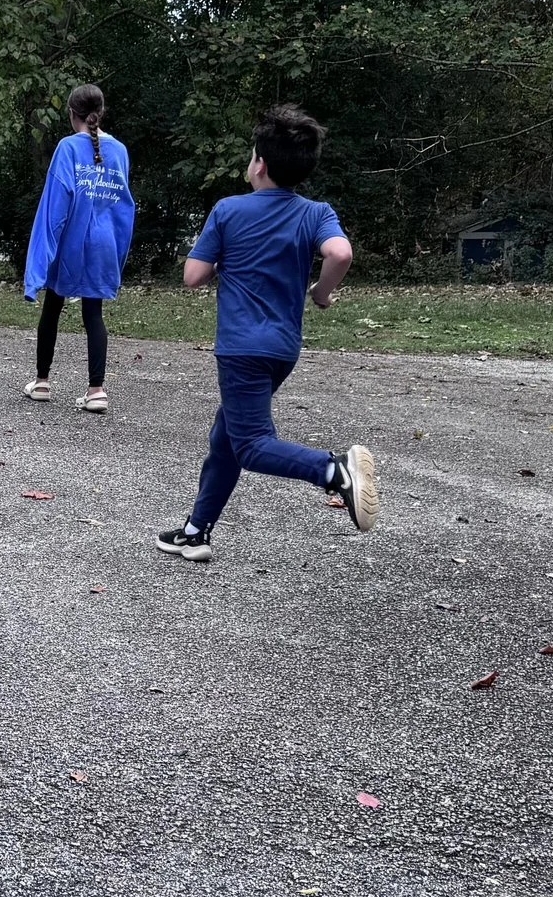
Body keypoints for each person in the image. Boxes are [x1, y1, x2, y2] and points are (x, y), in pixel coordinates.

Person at [154, 103, 378, 561]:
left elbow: (193, 276)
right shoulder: (315, 212)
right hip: (282, 348)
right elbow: (340, 253)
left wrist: (222, 259)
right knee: (227, 439)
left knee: (252, 445)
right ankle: (196, 531)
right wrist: (320, 293)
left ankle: (334, 471)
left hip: (240, 347)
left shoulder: (228, 210)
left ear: (258, 162)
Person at [22, 84, 134, 414]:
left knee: (53, 307)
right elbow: (123, 206)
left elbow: (55, 205)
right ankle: (96, 390)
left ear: (72, 114)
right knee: (93, 314)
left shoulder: (67, 148)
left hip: (70, 241)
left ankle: (41, 382)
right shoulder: (121, 151)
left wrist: (44, 251)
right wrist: (119, 250)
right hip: (104, 243)